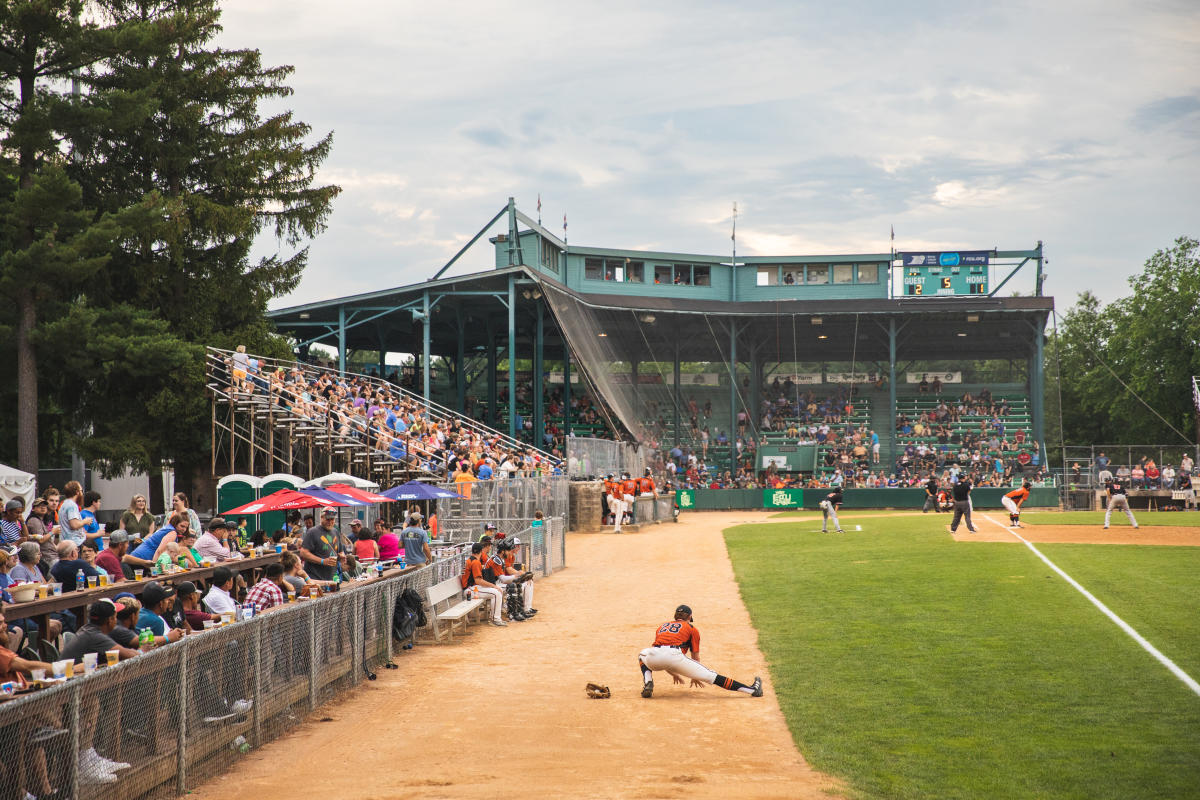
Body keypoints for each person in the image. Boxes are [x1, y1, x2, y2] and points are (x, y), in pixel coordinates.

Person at [638, 604, 762, 699]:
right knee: (711, 676)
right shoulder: (691, 628)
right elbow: (694, 655)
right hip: (674, 656)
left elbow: (662, 656)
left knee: (642, 655)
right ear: (690, 617)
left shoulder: (662, 627)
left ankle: (648, 681)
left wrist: (674, 674)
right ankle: (752, 690)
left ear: (675, 616)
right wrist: (695, 675)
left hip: (654, 656)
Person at [459, 542, 505, 626]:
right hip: (471, 590)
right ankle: (495, 619)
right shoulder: (475, 562)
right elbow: (478, 581)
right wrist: (493, 586)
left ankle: (495, 618)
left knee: (498, 591)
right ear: (481, 552)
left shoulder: (471, 560)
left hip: (472, 588)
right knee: (496, 593)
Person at [57, 480, 87, 547]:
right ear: (77, 492)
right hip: (74, 543)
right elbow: (74, 525)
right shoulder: (72, 505)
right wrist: (85, 521)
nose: (82, 493)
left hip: (66, 542)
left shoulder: (64, 504)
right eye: (81, 491)